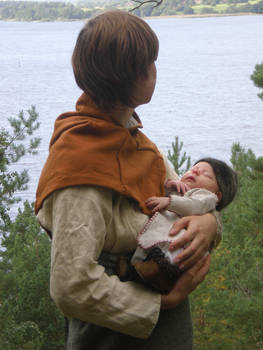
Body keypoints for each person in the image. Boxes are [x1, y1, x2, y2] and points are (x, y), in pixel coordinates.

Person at [35, 10, 222, 350]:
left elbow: (187, 201)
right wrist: (159, 305)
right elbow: (70, 284)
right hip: (113, 336)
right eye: (149, 63)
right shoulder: (81, 162)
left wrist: (209, 223)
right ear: (130, 77)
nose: (155, 69)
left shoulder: (133, 140)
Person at [131, 158, 238, 294]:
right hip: (160, 242)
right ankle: (133, 269)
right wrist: (169, 186)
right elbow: (157, 191)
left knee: (172, 256)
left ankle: (153, 272)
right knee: (147, 253)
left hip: (178, 248)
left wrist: (170, 201)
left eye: (206, 175)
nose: (195, 171)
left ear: (217, 195)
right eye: (193, 169)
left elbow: (193, 205)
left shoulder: (206, 198)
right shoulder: (181, 191)